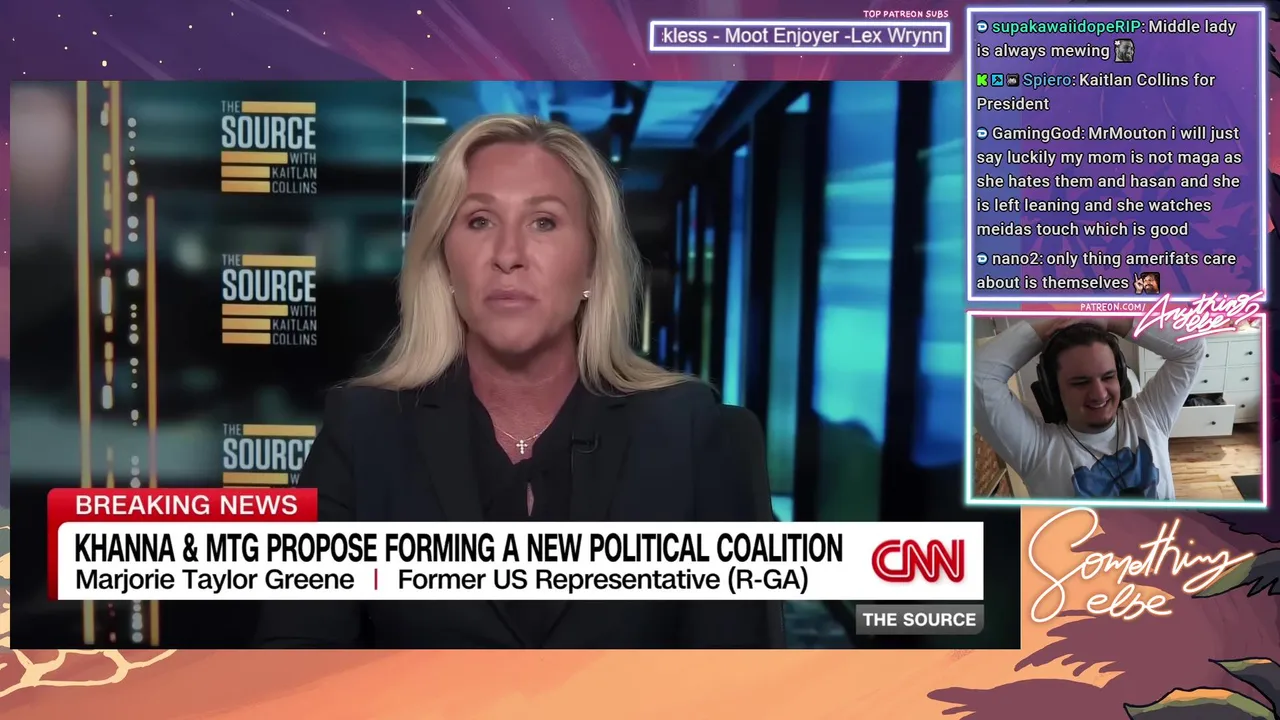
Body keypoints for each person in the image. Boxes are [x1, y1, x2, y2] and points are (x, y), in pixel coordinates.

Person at [255, 114, 781, 649]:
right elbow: (292, 664)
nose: (508, 256)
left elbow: (737, 679)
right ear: (444, 261)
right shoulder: (363, 431)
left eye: (544, 222)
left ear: (593, 265)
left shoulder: (694, 432)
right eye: (479, 220)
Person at [971, 317, 1206, 499]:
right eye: (1080, 382)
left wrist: (1109, 320)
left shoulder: (1149, 417)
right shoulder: (1037, 450)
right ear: (1053, 390)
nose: (1100, 394)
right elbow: (977, 375)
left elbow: (1192, 347)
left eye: (1108, 376)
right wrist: (1052, 325)